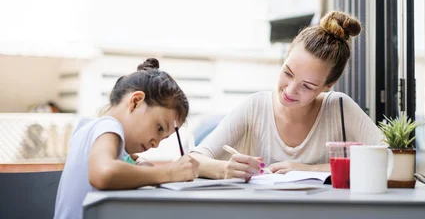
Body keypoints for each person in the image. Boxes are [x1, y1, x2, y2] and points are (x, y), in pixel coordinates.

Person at [190, 11, 384, 179]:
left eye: (307, 86)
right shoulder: (256, 107)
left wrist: (308, 170)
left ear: (328, 85)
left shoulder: (339, 108)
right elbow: (193, 159)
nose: (290, 90)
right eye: (288, 73)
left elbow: (389, 159)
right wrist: (225, 169)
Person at [54, 58, 201, 219]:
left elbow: (128, 160)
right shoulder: (109, 126)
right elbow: (104, 173)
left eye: (164, 138)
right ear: (136, 102)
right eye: (159, 128)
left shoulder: (91, 128)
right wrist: (169, 173)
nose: (156, 143)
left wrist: (141, 164)